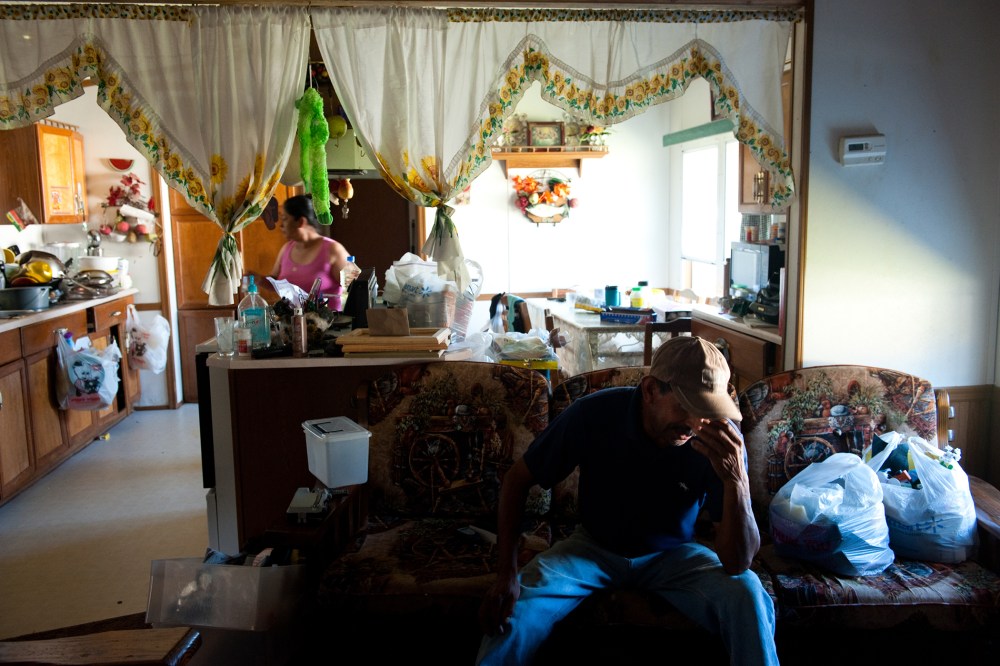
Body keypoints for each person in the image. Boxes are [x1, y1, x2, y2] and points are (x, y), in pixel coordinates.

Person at [476, 335, 779, 666]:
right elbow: (517, 480)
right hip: (592, 549)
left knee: (749, 596)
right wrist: (506, 571)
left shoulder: (721, 439)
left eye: (706, 409)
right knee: (513, 613)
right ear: (650, 390)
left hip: (674, 554)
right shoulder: (594, 413)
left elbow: (737, 564)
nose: (695, 424)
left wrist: (736, 481)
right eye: (685, 405)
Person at [268, 194, 352, 311]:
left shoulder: (333, 250)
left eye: (285, 219)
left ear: (301, 222)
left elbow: (358, 288)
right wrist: (258, 280)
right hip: (292, 324)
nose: (281, 225)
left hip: (328, 324)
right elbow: (275, 282)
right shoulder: (286, 249)